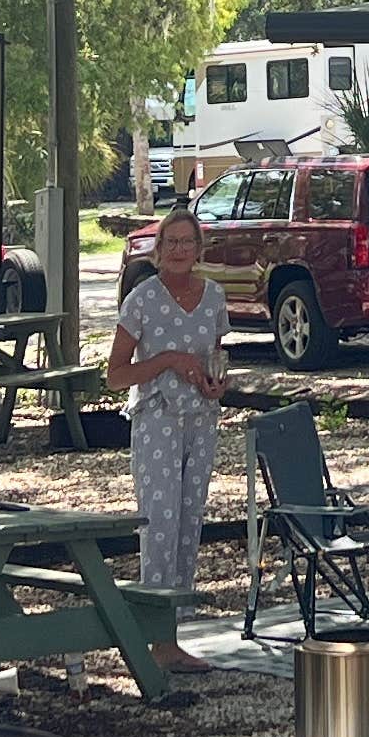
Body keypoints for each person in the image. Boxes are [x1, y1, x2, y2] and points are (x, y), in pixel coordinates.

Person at [105, 206, 228, 677]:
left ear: (199, 249)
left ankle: (174, 635)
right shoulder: (142, 300)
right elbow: (116, 376)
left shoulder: (213, 296)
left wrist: (217, 382)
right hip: (157, 420)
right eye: (171, 242)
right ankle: (155, 637)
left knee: (189, 523)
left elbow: (216, 354)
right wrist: (167, 360)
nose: (179, 250)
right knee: (159, 523)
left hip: (202, 417)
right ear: (158, 250)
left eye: (187, 242)